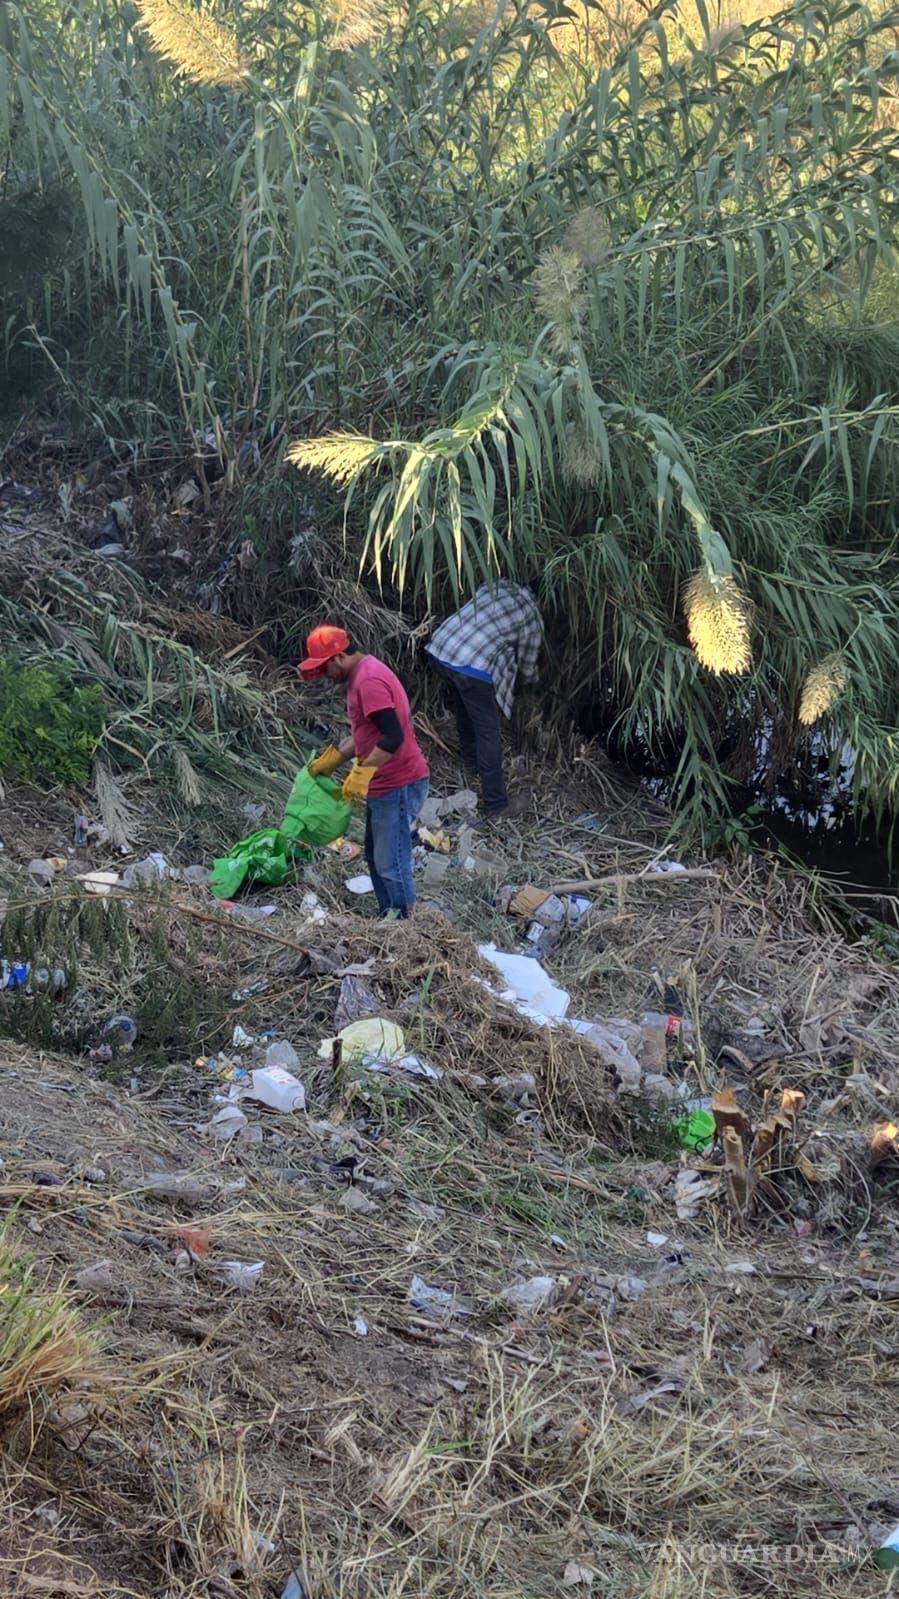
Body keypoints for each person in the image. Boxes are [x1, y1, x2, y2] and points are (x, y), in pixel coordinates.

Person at [299, 625, 429, 919]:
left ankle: (405, 924)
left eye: (324, 668)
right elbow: (367, 734)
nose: (323, 675)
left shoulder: (368, 680)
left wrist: (361, 772)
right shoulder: (362, 675)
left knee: (390, 861)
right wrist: (333, 759)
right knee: (375, 855)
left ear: (339, 657)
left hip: (399, 782)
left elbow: (393, 737)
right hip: (386, 783)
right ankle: (389, 915)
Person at [426, 579, 542, 821]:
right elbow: (528, 666)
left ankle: (470, 761)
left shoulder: (498, 585)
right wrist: (531, 686)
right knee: (488, 730)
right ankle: (496, 805)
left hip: (441, 648)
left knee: (464, 704)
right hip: (471, 666)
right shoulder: (531, 615)